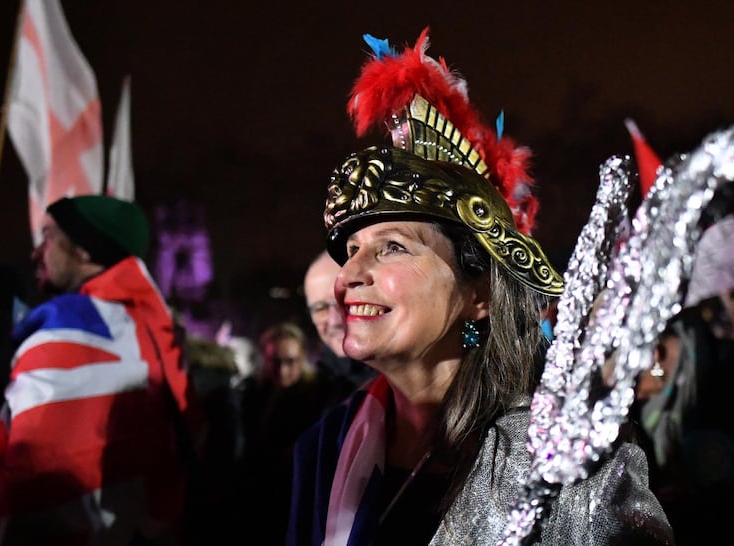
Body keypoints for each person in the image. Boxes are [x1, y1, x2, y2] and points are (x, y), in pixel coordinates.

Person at [287, 29, 673, 546]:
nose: (350, 275)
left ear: (480, 293)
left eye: (393, 246)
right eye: (351, 249)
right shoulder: (322, 448)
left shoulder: (573, 467)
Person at [0, 195, 205, 545]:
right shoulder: (155, 327)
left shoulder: (72, 324)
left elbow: (31, 486)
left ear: (83, 250)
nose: (36, 253)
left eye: (48, 237)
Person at [237, 322, 329, 544]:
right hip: (259, 493)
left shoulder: (318, 395)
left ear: (302, 358)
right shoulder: (253, 393)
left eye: (290, 361)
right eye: (275, 361)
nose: (282, 370)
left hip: (299, 492)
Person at [303, 250, 376, 406]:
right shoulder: (307, 396)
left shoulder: (408, 384)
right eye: (320, 308)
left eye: (344, 301)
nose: (334, 320)